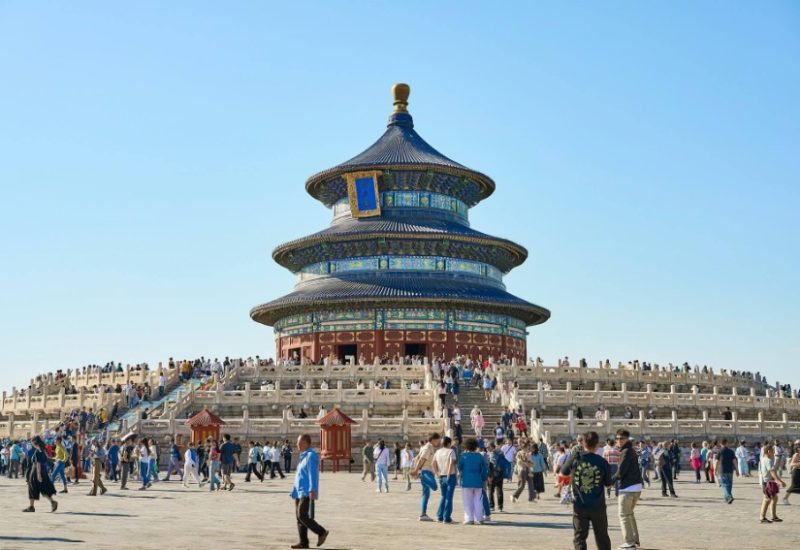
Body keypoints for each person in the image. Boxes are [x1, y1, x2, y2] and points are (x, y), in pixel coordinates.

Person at [561, 431, 612, 550]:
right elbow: (608, 484)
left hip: (580, 505)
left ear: (583, 443)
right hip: (598, 506)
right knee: (602, 537)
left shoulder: (576, 457)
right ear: (597, 445)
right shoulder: (602, 462)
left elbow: (563, 472)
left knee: (579, 537)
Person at [290, 434, 329, 549]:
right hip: (299, 491)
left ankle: (321, 532)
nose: (297, 444)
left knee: (302, 515)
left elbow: (313, 474)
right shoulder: (303, 456)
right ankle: (303, 542)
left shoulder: (311, 456)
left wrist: (313, 489)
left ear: (306, 443)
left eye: (299, 443)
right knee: (299, 517)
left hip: (306, 491)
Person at [612, 430, 643, 549]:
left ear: (627, 439)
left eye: (622, 438)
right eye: (617, 438)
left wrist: (610, 481)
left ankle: (629, 543)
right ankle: (634, 539)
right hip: (636, 487)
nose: (619, 441)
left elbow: (621, 471)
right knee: (629, 514)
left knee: (624, 515)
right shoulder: (630, 450)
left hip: (628, 488)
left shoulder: (626, 452)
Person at [410, 433, 441, 521]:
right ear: (434, 440)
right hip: (426, 472)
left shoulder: (427, 447)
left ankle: (423, 514)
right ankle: (421, 476)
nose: (438, 442)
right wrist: (416, 471)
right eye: (438, 440)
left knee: (425, 495)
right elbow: (422, 459)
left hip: (427, 471)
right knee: (434, 487)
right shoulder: (428, 447)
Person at [457, 437, 488, 525]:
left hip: (466, 481)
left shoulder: (463, 456)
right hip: (478, 481)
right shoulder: (479, 456)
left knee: (467, 501)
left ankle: (469, 518)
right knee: (478, 500)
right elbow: (484, 469)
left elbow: (459, 467)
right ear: (475, 446)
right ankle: (479, 518)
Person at [23, 436, 58, 513]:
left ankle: (31, 507)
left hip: (36, 471)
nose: (31, 443)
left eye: (32, 442)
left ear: (35, 442)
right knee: (43, 488)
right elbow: (47, 459)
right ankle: (52, 502)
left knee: (32, 488)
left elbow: (38, 463)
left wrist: (38, 475)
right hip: (43, 471)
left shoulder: (38, 451)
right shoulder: (43, 450)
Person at [759, 444, 785, 523]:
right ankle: (762, 517)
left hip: (767, 481)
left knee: (774, 498)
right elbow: (772, 472)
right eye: (773, 451)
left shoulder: (764, 459)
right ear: (768, 451)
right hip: (768, 482)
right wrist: (779, 481)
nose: (774, 453)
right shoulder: (768, 460)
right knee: (767, 499)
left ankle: (773, 516)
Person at [432, 436, 456, 523]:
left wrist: (437, 474)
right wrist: (449, 475)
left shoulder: (437, 452)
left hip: (441, 475)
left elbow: (433, 464)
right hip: (450, 476)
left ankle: (439, 516)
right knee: (449, 497)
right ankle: (447, 517)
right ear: (449, 443)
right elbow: (451, 463)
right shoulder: (451, 451)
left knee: (443, 496)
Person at [714, 438, 739, 504]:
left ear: (720, 444)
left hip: (722, 470)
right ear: (727, 443)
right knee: (729, 485)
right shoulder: (731, 451)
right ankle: (727, 499)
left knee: (725, 485)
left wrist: (715, 470)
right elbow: (734, 461)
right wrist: (737, 470)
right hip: (730, 470)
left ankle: (729, 496)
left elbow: (716, 462)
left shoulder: (719, 451)